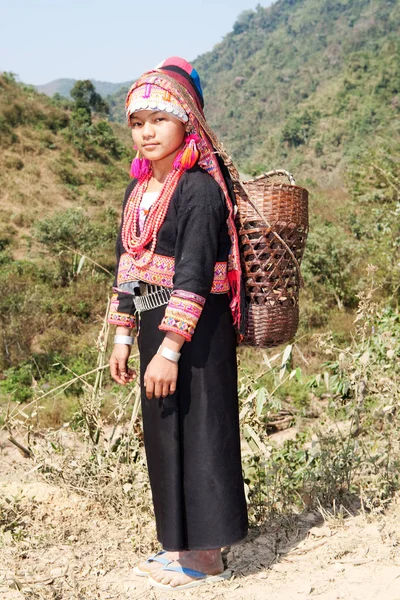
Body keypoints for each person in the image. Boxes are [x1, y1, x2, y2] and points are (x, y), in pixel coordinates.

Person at [108, 57, 248, 592]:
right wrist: (124, 333)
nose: (147, 132)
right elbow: (128, 264)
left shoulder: (200, 191)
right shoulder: (137, 192)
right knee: (166, 433)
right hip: (151, 325)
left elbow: (191, 275)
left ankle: (207, 557)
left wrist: (169, 349)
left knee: (204, 430)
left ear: (186, 122)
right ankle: (181, 547)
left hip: (196, 334)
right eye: (138, 122)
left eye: (158, 120)